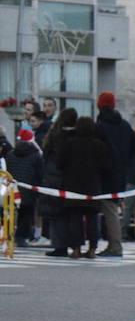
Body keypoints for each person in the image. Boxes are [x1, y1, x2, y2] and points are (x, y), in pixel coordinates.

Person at [57, 115, 110, 259]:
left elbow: (59, 164)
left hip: (72, 186)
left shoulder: (69, 144)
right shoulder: (99, 145)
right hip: (93, 186)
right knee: (93, 218)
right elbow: (106, 167)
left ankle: (76, 248)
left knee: (74, 218)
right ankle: (92, 248)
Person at [93, 91, 135, 257]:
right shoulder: (125, 125)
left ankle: (115, 246)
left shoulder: (100, 125)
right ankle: (113, 244)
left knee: (109, 209)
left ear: (99, 105)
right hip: (121, 172)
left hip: (104, 173)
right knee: (111, 207)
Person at [39, 107, 77, 257]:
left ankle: (59, 245)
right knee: (72, 214)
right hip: (73, 178)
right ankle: (74, 246)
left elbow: (46, 152)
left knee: (56, 214)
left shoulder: (55, 134)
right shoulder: (77, 134)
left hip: (53, 176)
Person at [8, 127, 43, 246]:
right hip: (29, 189)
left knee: (11, 212)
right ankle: (21, 236)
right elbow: (40, 173)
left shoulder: (11, 154)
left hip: (12, 189)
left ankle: (9, 234)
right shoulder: (36, 155)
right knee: (26, 213)